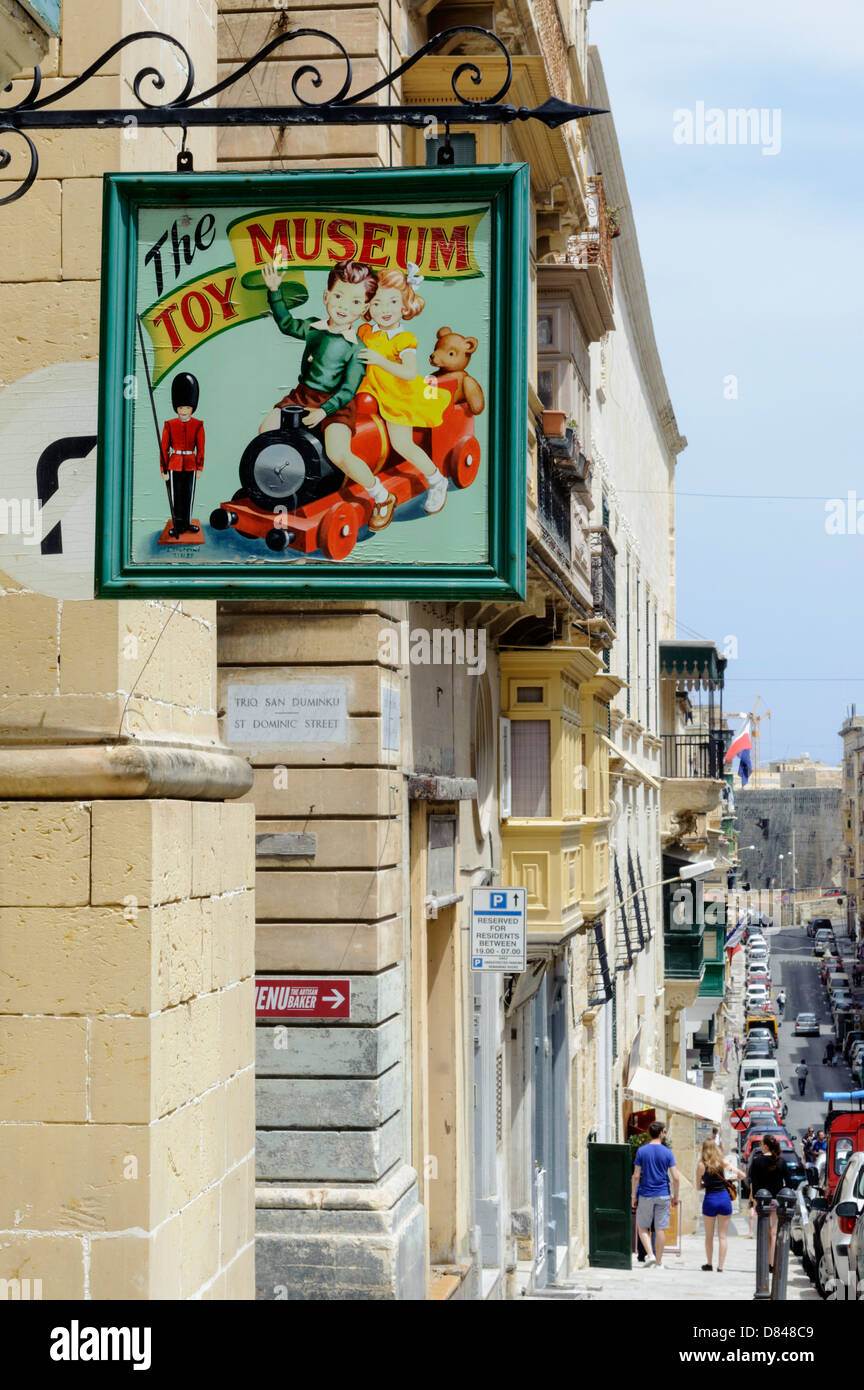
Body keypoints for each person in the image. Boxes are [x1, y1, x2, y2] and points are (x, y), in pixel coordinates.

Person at [260, 257, 398, 531]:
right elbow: (286, 323)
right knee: (266, 431)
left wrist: (325, 411)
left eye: (356, 302)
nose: (344, 306)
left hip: (336, 405)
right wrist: (275, 291)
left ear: (367, 308)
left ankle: (382, 497)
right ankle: (279, 486)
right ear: (326, 296)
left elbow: (348, 391)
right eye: (339, 296)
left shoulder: (356, 350)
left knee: (338, 453)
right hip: (301, 396)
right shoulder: (314, 329)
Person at [357, 266, 450, 516]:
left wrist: (380, 360)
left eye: (393, 301)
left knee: (402, 444)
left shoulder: (403, 339)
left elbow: (409, 372)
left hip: (397, 396)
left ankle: (436, 480)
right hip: (370, 391)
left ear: (405, 304)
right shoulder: (365, 332)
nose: (385, 310)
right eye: (377, 303)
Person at [159, 371, 204, 539]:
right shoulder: (169, 425)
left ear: (192, 407)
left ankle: (187, 523)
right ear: (176, 407)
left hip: (191, 463)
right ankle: (177, 525)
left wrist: (200, 466)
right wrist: (163, 469)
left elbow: (201, 447)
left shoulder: (198, 425)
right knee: (176, 496)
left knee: (188, 495)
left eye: (187, 407)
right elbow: (164, 449)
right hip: (174, 464)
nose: (184, 411)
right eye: (181, 407)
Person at [631, 1120, 680, 1270]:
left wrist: (634, 1195)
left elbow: (636, 1176)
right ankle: (659, 1262)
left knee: (642, 1227)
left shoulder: (642, 1151)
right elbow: (676, 1177)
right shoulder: (667, 1152)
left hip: (646, 1194)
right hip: (663, 1194)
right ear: (660, 1133)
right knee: (660, 1229)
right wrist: (675, 1196)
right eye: (664, 1132)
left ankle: (650, 1255)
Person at [697, 1140, 745, 1271]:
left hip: (710, 1200)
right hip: (724, 1199)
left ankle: (709, 1263)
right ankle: (720, 1266)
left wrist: (706, 1184)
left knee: (709, 1235)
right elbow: (742, 1175)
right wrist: (731, 1180)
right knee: (723, 1236)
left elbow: (698, 1186)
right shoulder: (722, 1162)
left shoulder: (701, 1165)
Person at [747, 1134, 790, 1270]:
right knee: (774, 1231)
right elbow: (788, 1183)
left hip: (762, 1200)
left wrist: (754, 1199)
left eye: (761, 1144)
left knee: (766, 1232)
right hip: (776, 1200)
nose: (760, 1147)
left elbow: (753, 1181)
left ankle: (766, 1262)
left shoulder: (757, 1161)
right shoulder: (781, 1162)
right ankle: (773, 1263)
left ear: (765, 1146)